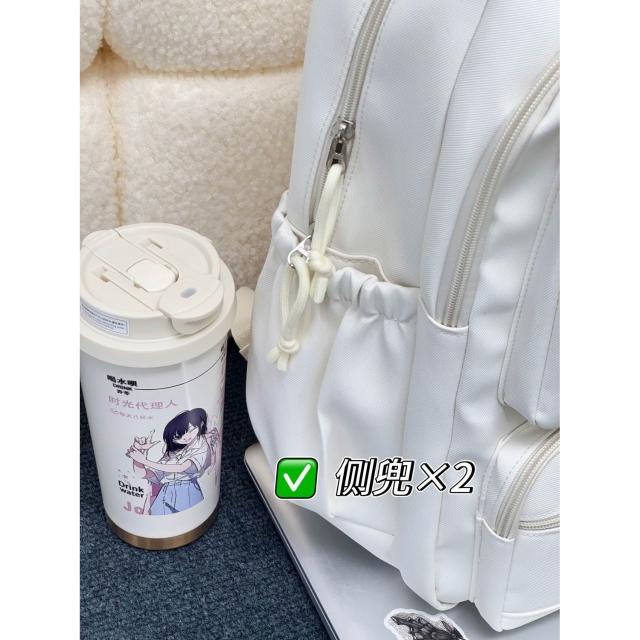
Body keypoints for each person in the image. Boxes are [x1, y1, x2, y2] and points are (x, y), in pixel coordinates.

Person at [126, 408, 213, 515]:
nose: (187, 437)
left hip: (187, 491)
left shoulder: (201, 443)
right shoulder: (172, 453)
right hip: (165, 493)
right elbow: (144, 474)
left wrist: (145, 461)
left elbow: (181, 467)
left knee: (190, 517)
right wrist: (138, 456)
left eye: (191, 430)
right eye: (179, 436)